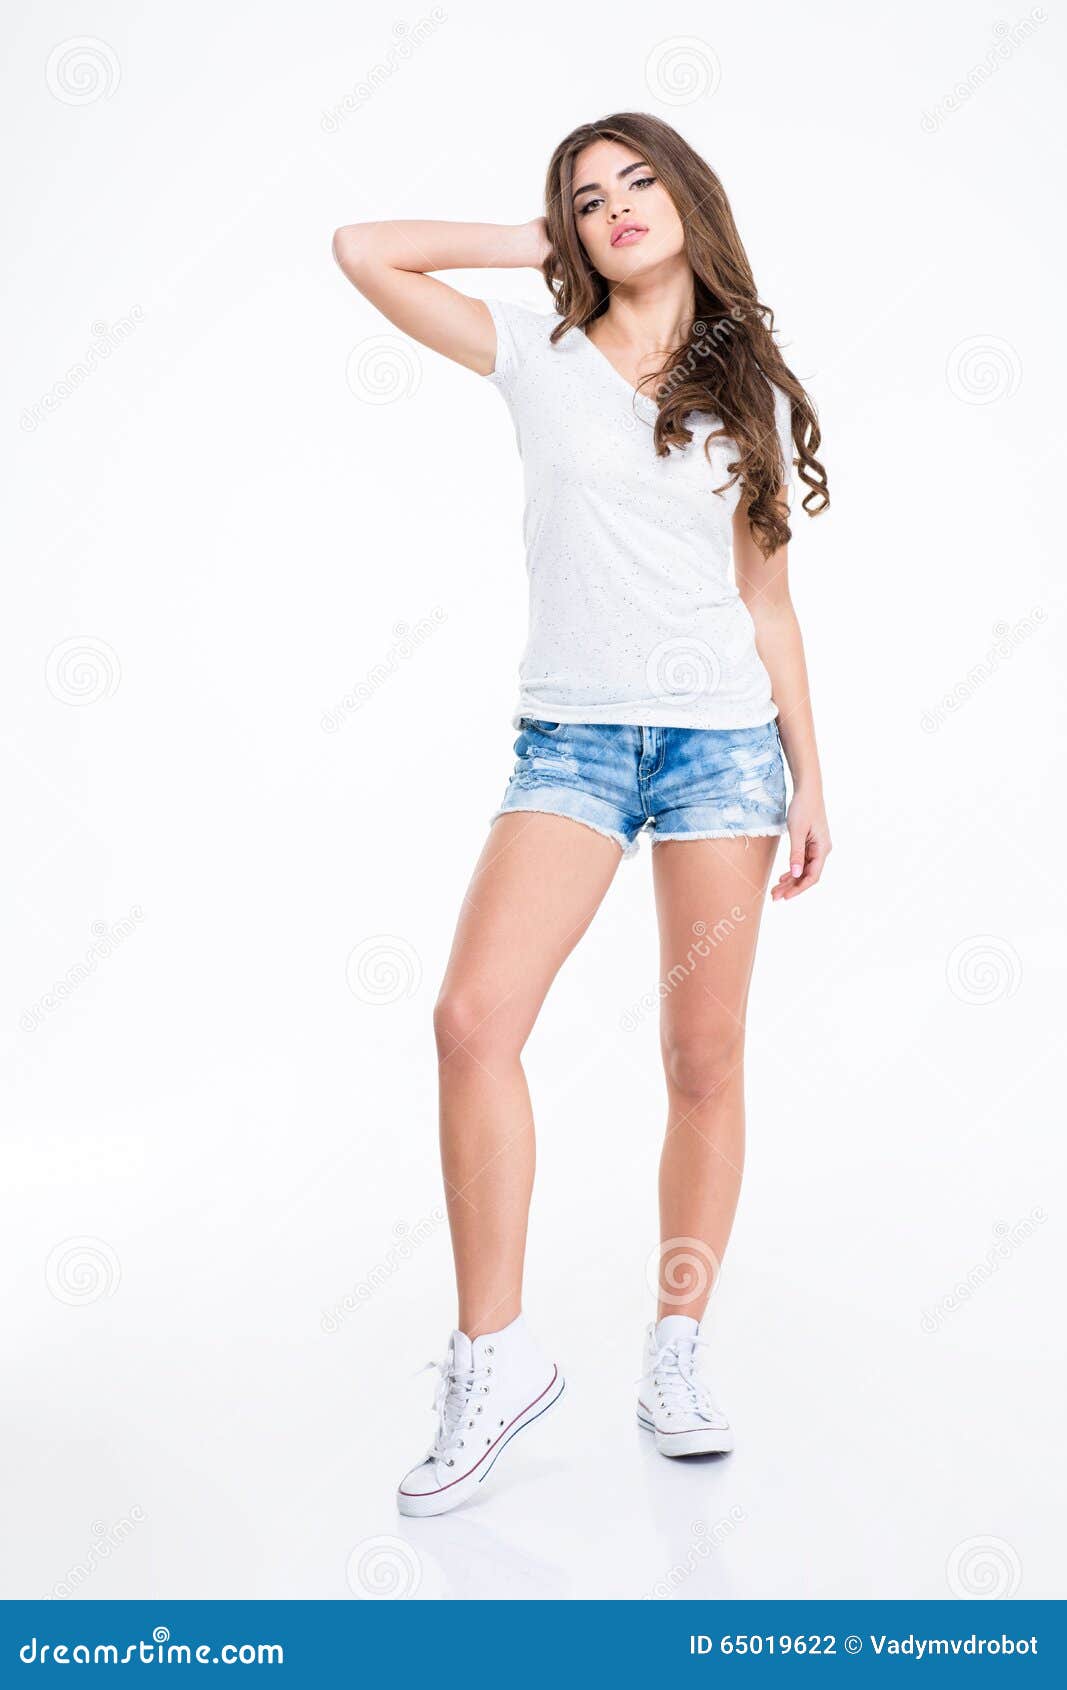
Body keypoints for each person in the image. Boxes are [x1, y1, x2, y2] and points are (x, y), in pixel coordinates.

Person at [333, 111, 831, 1518]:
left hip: (725, 750)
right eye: (586, 195)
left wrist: (812, 776)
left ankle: (676, 1352)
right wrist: (532, 245)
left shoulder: (747, 390)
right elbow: (361, 248)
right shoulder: (537, 358)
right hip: (576, 741)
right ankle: (496, 1359)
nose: (614, 206)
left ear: (689, 198)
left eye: (636, 182)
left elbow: (770, 605)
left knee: (701, 1054)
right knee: (473, 1019)